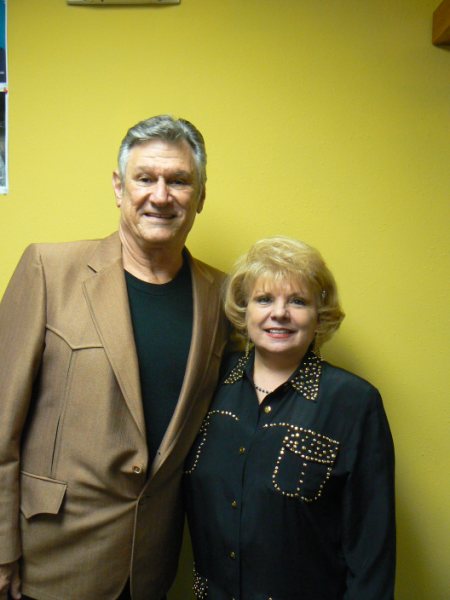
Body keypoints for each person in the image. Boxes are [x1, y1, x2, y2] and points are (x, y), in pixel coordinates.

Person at [0, 115, 228, 600]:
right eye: (145, 178)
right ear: (119, 188)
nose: (161, 196)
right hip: (50, 559)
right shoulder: (49, 270)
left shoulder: (223, 297)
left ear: (201, 196)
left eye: (179, 181)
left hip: (151, 564)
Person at [184, 236, 396, 599]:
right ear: (244, 310)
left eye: (297, 301)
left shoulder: (353, 402)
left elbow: (371, 547)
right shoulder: (209, 381)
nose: (279, 313)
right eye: (264, 299)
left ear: (319, 315)